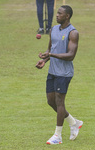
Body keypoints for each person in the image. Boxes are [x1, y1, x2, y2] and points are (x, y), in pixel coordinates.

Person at [36, 5, 83, 145]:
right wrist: (45, 60)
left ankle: (58, 136)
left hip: (64, 73)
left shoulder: (73, 33)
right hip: (53, 71)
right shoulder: (53, 29)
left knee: (59, 101)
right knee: (50, 101)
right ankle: (74, 123)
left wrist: (50, 54)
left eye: (59, 13)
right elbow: (51, 49)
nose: (56, 15)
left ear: (67, 16)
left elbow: (70, 55)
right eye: (57, 13)